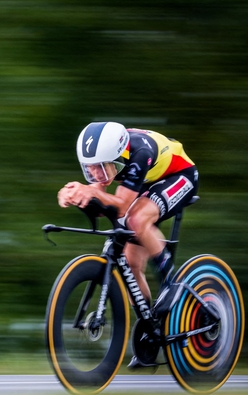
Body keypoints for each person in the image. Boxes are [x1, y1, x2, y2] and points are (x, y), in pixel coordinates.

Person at [57, 121, 198, 367]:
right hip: (145, 182)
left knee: (134, 218)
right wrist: (75, 195)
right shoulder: (107, 157)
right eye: (89, 169)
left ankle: (171, 281)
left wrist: (91, 193)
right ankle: (150, 328)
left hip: (179, 175)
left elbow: (120, 205)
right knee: (131, 263)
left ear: (115, 156)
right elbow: (103, 202)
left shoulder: (139, 152)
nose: (96, 175)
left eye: (100, 167)